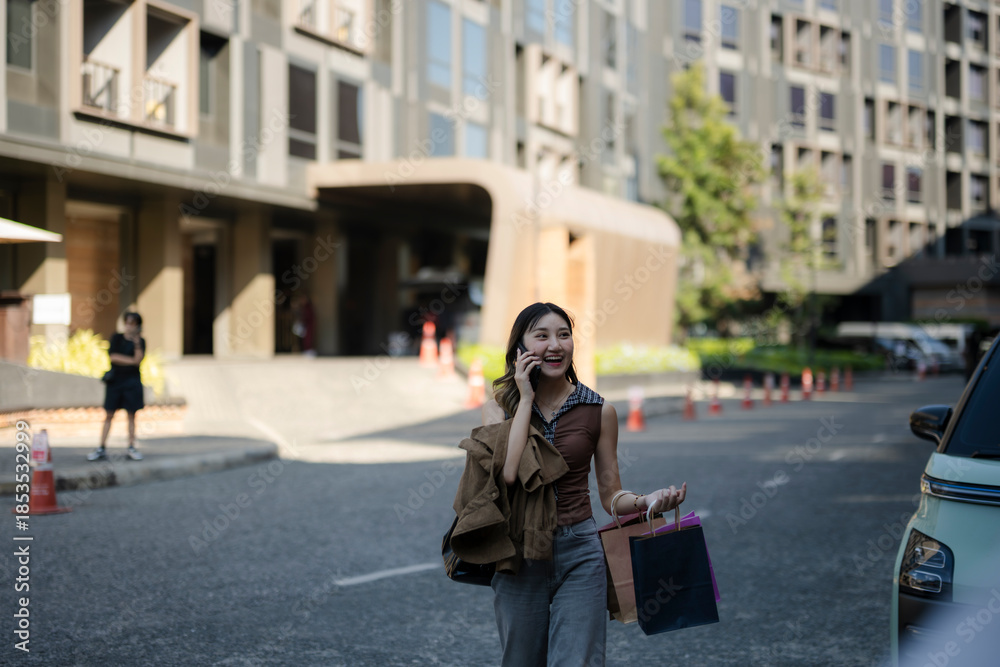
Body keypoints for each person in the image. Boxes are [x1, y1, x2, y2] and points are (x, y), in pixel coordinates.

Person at [478, 302, 687, 666]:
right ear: (520, 349)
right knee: (521, 660)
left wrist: (646, 501)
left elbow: (610, 494)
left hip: (581, 551)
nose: (555, 345)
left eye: (564, 335)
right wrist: (525, 397)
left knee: (580, 661)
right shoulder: (498, 407)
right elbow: (508, 474)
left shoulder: (599, 410)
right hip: (519, 551)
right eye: (541, 336)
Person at [88, 312, 146, 462]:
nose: (129, 326)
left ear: (138, 325)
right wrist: (131, 360)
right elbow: (113, 357)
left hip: (132, 383)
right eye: (127, 322)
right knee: (109, 414)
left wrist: (136, 345)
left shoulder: (140, 341)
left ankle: (131, 447)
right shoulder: (117, 338)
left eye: (132, 323)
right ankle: (101, 447)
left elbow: (138, 360)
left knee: (132, 415)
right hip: (115, 382)